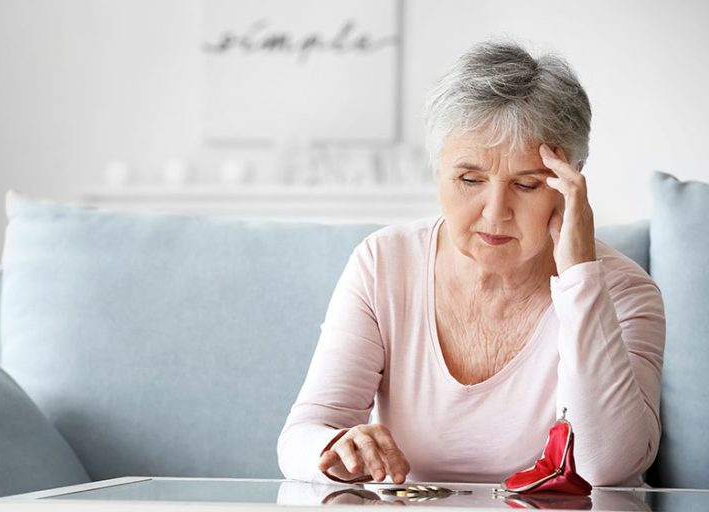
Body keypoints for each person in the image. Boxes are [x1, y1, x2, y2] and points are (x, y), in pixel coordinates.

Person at [277, 40, 665, 487]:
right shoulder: (382, 263)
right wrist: (335, 448)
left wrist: (580, 279)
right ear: (437, 170)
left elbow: (608, 466)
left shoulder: (625, 291)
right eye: (469, 179)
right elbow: (302, 435)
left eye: (527, 185)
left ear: (570, 185)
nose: (495, 211)